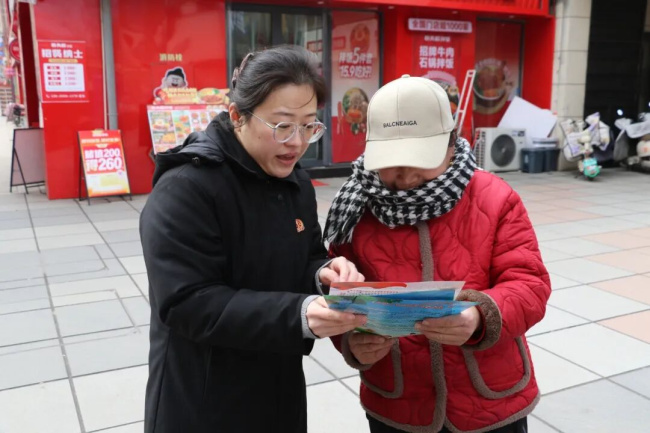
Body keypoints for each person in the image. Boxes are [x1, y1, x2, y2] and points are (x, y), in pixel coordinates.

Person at [140, 45, 367, 433]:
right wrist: (300, 314)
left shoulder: (294, 182)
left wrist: (324, 272)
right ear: (237, 116)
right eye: (282, 126)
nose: (296, 142)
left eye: (308, 126)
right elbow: (187, 302)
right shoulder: (186, 188)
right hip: (204, 400)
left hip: (278, 390)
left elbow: (306, 255)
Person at [324, 75, 551, 433]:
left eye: (419, 158)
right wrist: (352, 342)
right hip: (398, 401)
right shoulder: (355, 208)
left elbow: (530, 285)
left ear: (450, 143)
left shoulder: (495, 198)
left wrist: (479, 316)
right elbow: (343, 297)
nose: (405, 175)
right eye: (391, 161)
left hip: (488, 399)